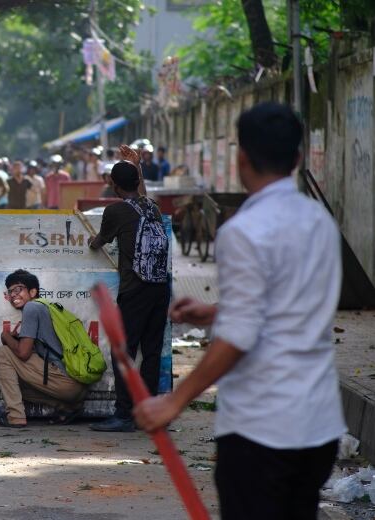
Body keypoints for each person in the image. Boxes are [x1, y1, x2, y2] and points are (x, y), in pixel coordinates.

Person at [134, 103, 345, 520]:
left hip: (261, 430)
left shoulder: (243, 231)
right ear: (298, 159)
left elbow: (239, 337)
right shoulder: (319, 220)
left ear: (241, 158)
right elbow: (290, 302)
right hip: (319, 426)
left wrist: (174, 401)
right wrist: (214, 312)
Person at [88, 147, 169, 432]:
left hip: (134, 289)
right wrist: (138, 168)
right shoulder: (153, 208)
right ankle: (148, 414)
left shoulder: (115, 211)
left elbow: (99, 241)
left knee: (123, 352)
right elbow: (142, 196)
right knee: (151, 351)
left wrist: (92, 242)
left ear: (113, 184)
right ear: (136, 182)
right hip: (159, 288)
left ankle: (123, 415)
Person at [0, 270, 88, 427]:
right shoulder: (45, 308)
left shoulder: (32, 308)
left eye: (18, 289)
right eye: (10, 291)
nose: (13, 295)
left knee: (3, 353)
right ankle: (68, 408)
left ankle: (15, 417)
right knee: (7, 381)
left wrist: (6, 336)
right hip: (76, 387)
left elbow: (23, 353)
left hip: (65, 382)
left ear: (33, 291)